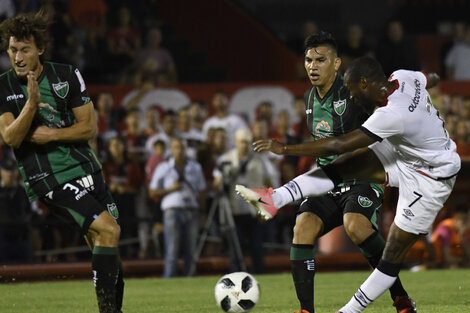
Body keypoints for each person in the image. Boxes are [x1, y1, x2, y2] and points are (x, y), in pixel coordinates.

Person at [236, 56, 460, 313]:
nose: (352, 98)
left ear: (364, 83)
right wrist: (435, 87)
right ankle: (275, 199)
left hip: (431, 178)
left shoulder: (390, 114)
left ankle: (350, 311)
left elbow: (338, 144)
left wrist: (285, 147)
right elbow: (431, 77)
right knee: (345, 166)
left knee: (392, 255)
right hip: (408, 153)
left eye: (353, 92)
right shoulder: (403, 77)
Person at [0, 12, 124, 312]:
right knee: (109, 230)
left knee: (105, 245)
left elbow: (89, 128)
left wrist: (52, 135)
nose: (18, 56)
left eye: (25, 49)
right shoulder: (3, 86)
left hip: (87, 169)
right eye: (13, 49)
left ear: (39, 49)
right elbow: (10, 137)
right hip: (49, 178)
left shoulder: (66, 75)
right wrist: (30, 105)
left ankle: (114, 308)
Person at [213, 128, 273, 274]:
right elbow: (216, 183)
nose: (244, 145)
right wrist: (225, 177)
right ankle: (236, 276)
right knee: (235, 248)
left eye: (246, 142)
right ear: (236, 142)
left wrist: (267, 207)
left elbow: (267, 182)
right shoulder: (226, 159)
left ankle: (259, 275)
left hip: (254, 209)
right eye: (241, 142)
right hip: (234, 210)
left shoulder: (259, 160)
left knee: (257, 247)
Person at [148, 136, 206, 277]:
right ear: (171, 149)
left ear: (185, 149)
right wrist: (170, 189)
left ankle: (191, 283)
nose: (179, 151)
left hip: (192, 209)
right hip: (172, 210)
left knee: (191, 251)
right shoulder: (163, 167)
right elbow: (152, 191)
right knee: (172, 251)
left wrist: (203, 213)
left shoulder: (195, 167)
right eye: (176, 147)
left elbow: (202, 191)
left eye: (181, 147)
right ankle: (168, 282)